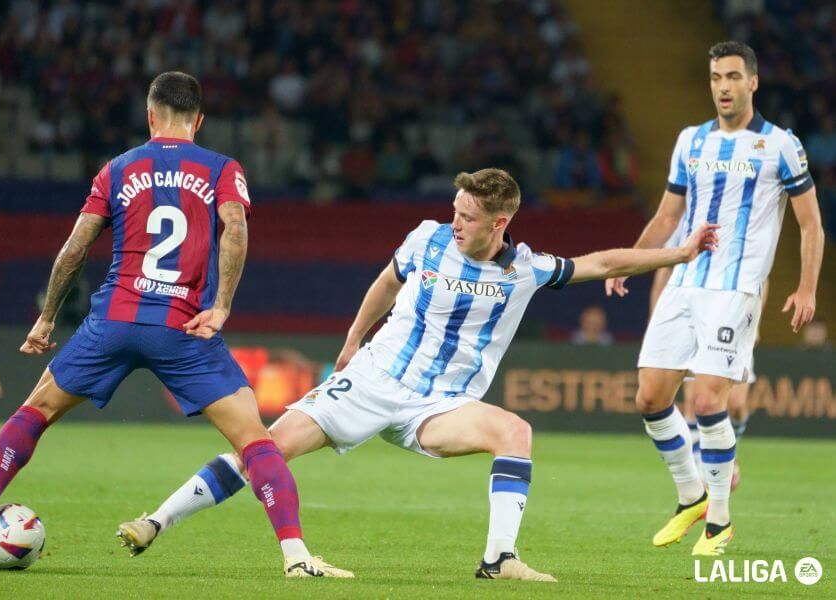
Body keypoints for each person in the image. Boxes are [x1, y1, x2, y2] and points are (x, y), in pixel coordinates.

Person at [116, 167, 719, 582]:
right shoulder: (426, 238)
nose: (454, 222)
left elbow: (604, 261)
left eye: (467, 216)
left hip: (439, 405)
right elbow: (386, 282)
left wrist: (682, 251)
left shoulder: (526, 269)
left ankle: (498, 559)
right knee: (266, 448)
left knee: (515, 432)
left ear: (499, 222)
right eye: (454, 211)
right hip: (374, 379)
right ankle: (155, 521)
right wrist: (353, 339)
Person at [0, 72, 351, 579]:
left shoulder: (117, 169)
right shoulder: (222, 169)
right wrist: (221, 306)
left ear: (150, 115)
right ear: (199, 120)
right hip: (182, 329)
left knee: (35, 411)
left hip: (113, 321)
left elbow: (75, 248)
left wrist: (46, 318)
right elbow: (236, 230)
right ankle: (296, 557)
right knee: (256, 443)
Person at [606, 41, 825, 556]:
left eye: (732, 77)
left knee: (707, 401)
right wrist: (629, 262)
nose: (722, 87)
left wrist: (807, 285)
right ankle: (692, 496)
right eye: (715, 78)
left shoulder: (780, 145)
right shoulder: (691, 141)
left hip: (736, 288)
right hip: (683, 282)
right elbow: (666, 217)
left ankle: (720, 521)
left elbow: (810, 222)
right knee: (650, 398)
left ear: (753, 82)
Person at [649, 226, 769, 492]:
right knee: (695, 400)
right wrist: (658, 319)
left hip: (734, 319)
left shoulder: (747, 222)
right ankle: (700, 470)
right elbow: (664, 270)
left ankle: (729, 451)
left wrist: (756, 322)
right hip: (693, 315)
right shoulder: (686, 223)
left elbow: (761, 275)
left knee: (736, 404)